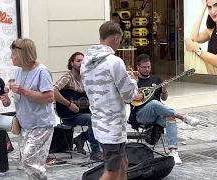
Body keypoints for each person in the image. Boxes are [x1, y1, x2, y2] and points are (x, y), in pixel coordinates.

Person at [80, 21, 138, 180]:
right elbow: (129, 96)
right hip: (112, 127)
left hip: (99, 123)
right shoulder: (115, 62)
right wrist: (132, 80)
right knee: (111, 172)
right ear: (117, 39)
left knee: (123, 162)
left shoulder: (85, 63)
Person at [130, 54, 200, 164]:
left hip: (157, 115)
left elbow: (164, 98)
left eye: (149, 66)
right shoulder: (133, 81)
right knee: (153, 103)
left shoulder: (156, 79)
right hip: (141, 115)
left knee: (170, 118)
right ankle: (183, 116)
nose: (147, 69)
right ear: (138, 67)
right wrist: (132, 96)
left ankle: (173, 151)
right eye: (144, 67)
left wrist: (164, 90)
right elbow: (124, 98)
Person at [10, 38, 56, 180]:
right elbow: (20, 94)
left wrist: (23, 91)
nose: (11, 57)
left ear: (23, 54)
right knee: (31, 163)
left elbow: (49, 97)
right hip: (26, 125)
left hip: (41, 125)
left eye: (13, 53)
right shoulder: (18, 71)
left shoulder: (42, 71)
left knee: (28, 161)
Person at [53, 52, 103, 161]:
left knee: (103, 117)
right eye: (78, 61)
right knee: (93, 119)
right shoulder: (68, 77)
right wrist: (69, 104)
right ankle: (95, 152)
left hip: (84, 111)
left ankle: (81, 138)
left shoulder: (88, 77)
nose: (81, 63)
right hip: (69, 114)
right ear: (72, 63)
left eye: (83, 61)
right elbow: (53, 91)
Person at [185, 0, 217, 75]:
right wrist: (203, 8)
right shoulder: (211, 31)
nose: (213, 11)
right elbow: (193, 38)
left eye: (215, 5)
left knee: (193, 50)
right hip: (211, 71)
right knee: (189, 48)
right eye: (209, 7)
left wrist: (197, 49)